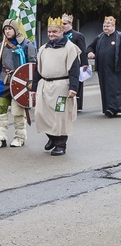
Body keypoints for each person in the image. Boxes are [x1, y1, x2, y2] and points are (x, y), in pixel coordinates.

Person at [31, 16, 81, 155]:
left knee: (60, 116)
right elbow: (38, 71)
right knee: (41, 114)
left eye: (55, 32)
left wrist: (73, 88)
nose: (51, 34)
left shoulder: (70, 48)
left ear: (61, 31)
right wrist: (33, 89)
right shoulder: (43, 49)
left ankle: (60, 144)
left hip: (61, 87)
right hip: (45, 86)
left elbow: (74, 70)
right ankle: (52, 136)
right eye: (49, 32)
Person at [0, 19, 37, 148]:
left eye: (10, 29)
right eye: (5, 29)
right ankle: (0, 137)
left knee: (18, 110)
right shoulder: (1, 45)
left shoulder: (26, 45)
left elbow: (33, 66)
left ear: (15, 29)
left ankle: (20, 137)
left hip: (20, 82)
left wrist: (32, 85)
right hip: (4, 80)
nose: (7, 31)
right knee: (0, 107)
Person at [87, 16, 121, 117]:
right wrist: (90, 52)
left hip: (115, 67)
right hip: (102, 68)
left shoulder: (118, 37)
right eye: (104, 26)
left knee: (114, 88)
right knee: (105, 88)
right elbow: (90, 47)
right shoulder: (99, 37)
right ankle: (108, 107)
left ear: (113, 26)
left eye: (108, 26)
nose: (105, 28)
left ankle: (113, 108)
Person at [61, 13, 89, 110]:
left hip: (75, 63)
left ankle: (76, 105)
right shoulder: (59, 36)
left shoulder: (77, 35)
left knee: (76, 83)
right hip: (62, 63)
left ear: (70, 24)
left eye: (64, 24)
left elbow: (82, 50)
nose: (62, 26)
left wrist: (85, 63)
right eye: (61, 24)